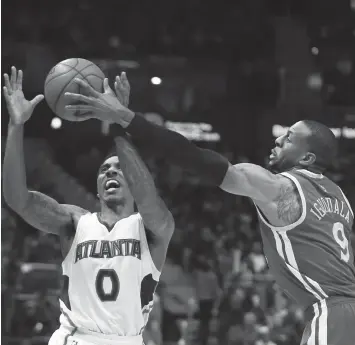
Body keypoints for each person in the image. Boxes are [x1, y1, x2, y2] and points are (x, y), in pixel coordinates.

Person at [65, 74, 355, 345]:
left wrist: (125, 119)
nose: (278, 139)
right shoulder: (341, 199)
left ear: (306, 157)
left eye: (289, 137)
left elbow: (195, 157)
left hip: (334, 312)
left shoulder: (280, 188)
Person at [2, 66, 175, 345]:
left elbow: (148, 197)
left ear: (135, 177)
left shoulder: (154, 228)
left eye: (119, 167)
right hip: (75, 339)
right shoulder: (74, 221)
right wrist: (16, 126)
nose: (110, 172)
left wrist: (119, 121)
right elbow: (16, 198)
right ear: (96, 186)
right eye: (104, 169)